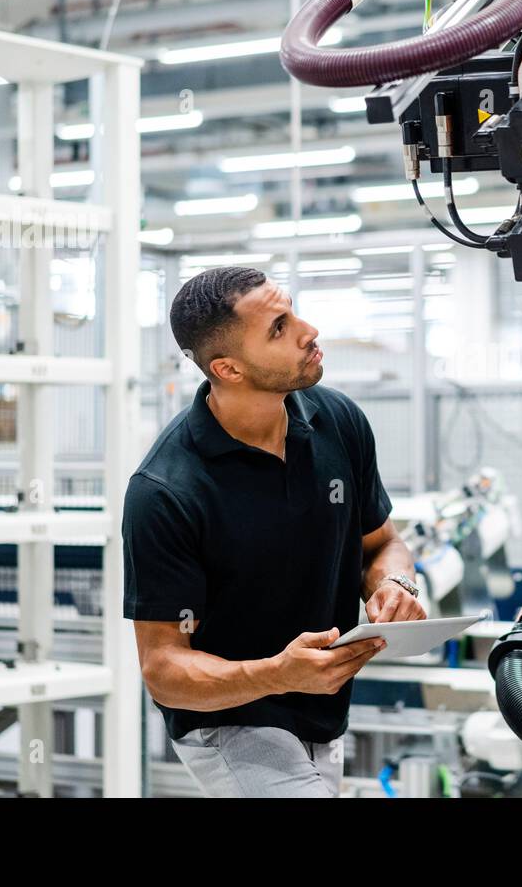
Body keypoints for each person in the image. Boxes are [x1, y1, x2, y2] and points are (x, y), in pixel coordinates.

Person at [123, 265, 425, 797]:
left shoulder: (338, 420)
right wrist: (276, 674)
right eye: (279, 328)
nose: (309, 331)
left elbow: (381, 544)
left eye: (293, 312)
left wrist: (394, 584)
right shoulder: (165, 490)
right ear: (229, 368)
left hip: (322, 717)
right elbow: (163, 667)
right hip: (230, 721)